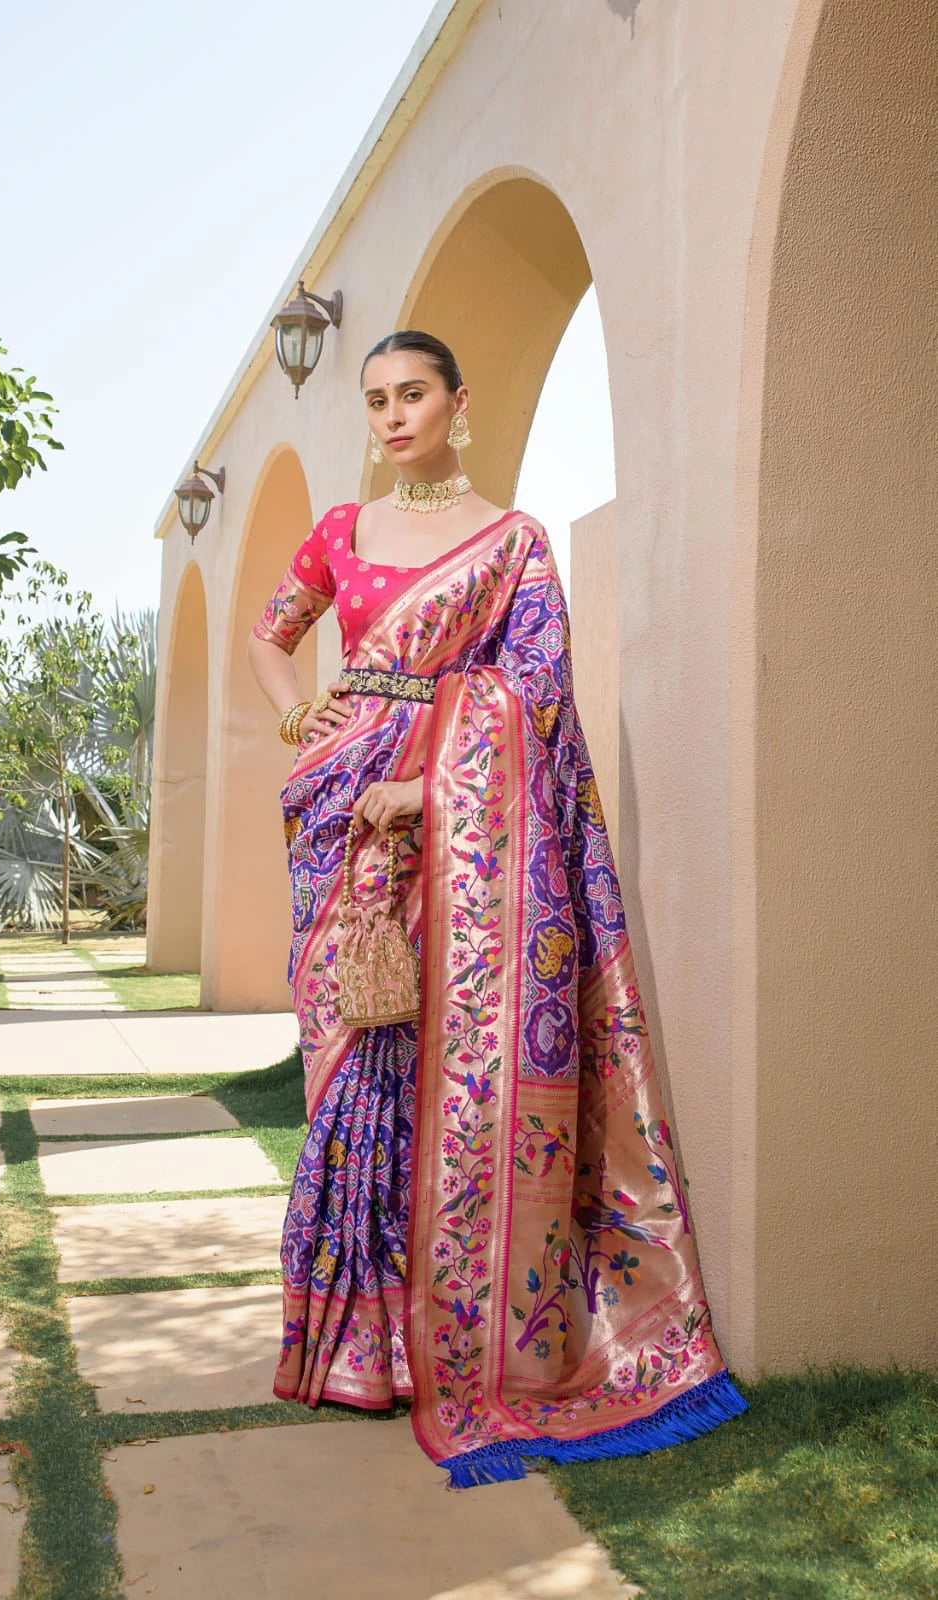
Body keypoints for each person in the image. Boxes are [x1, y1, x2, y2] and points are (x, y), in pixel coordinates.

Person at [246, 329, 748, 1487]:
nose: (389, 414)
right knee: (352, 1055)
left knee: (440, 1064)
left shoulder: (511, 544)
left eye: (410, 392)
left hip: (458, 827)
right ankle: (352, 1344)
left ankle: (450, 1339)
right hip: (341, 820)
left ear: (456, 402)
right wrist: (301, 719)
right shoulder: (341, 530)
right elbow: (274, 637)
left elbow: (533, 696)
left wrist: (427, 780)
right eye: (374, 398)